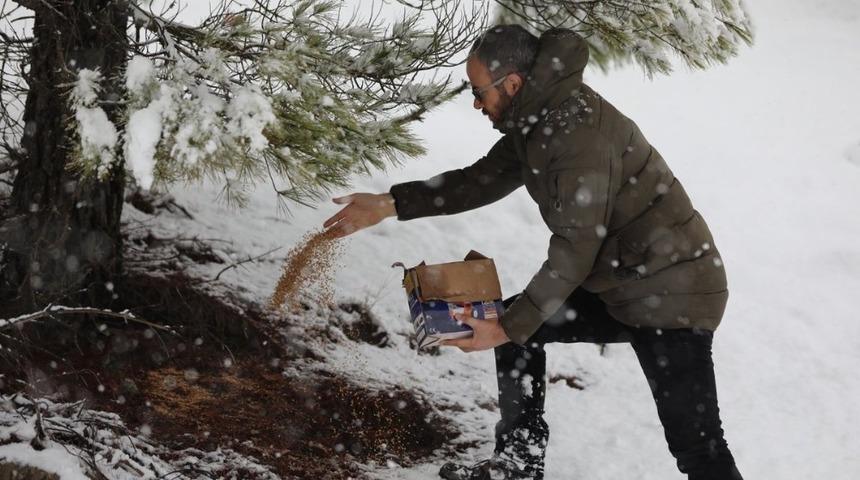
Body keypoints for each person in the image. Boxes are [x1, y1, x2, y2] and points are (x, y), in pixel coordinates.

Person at [323, 25, 744, 480]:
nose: (475, 102)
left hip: (673, 292)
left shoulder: (575, 137)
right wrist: (389, 204)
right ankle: (517, 465)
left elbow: (575, 250)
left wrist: (507, 327)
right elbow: (480, 179)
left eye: (478, 90)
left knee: (697, 445)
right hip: (624, 283)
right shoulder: (537, 120)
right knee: (519, 327)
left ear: (513, 84)